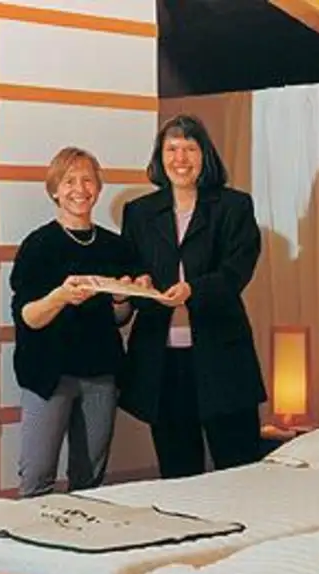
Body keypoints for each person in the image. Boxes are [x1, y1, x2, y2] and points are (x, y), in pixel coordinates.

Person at [118, 114, 267, 479]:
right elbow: (132, 269)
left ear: (205, 155)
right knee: (178, 472)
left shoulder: (234, 206)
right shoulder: (139, 212)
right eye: (171, 149)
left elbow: (236, 271)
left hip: (221, 354)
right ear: (160, 156)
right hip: (162, 360)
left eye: (189, 148)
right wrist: (137, 284)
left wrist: (192, 290)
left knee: (239, 468)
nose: (180, 158)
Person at [9, 146, 138, 497]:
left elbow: (120, 318)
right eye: (69, 181)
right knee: (36, 477)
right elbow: (28, 317)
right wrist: (61, 297)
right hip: (48, 373)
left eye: (88, 180)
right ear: (54, 189)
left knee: (90, 480)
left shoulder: (115, 246)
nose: (79, 189)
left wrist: (122, 297)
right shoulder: (38, 245)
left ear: (98, 188)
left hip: (101, 372)